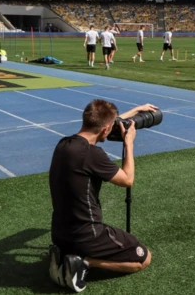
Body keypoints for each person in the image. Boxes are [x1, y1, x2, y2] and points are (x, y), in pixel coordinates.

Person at [48, 100, 157, 292]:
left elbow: (106, 123)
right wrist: (129, 143)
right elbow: (127, 180)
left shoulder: (63, 144)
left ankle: (66, 254)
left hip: (59, 232)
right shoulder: (91, 154)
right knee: (143, 258)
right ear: (106, 129)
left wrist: (137, 110)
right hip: (87, 235)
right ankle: (83, 262)